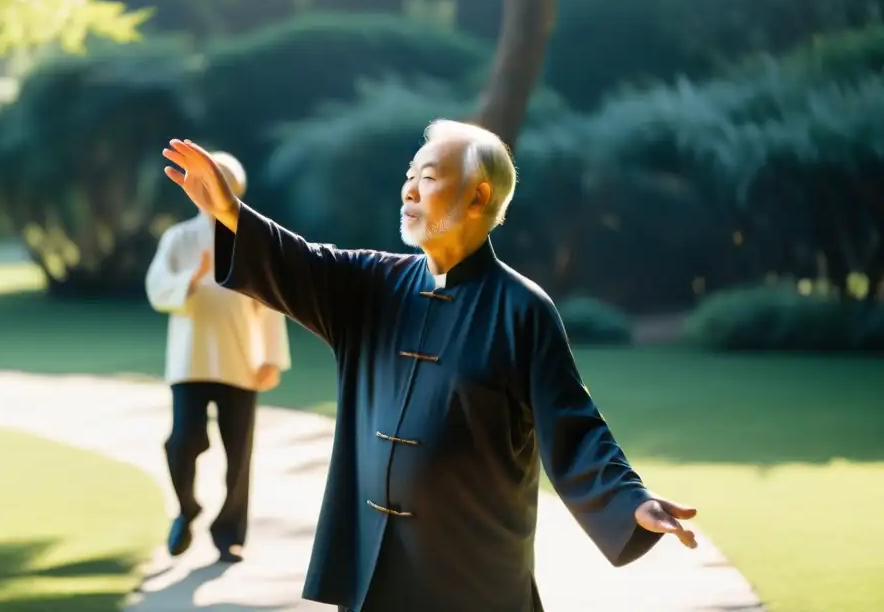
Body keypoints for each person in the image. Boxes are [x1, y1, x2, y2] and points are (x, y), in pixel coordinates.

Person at [160, 122, 698, 611]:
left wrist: (630, 500)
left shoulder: (522, 310)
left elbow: (574, 425)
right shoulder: (371, 285)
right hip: (376, 565)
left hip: (473, 573)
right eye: (409, 175)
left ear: (478, 194)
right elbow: (294, 260)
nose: (409, 189)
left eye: (429, 176)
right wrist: (230, 211)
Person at [145, 151, 291, 564]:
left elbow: (270, 302)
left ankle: (230, 533)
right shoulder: (178, 239)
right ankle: (187, 508)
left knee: (239, 452)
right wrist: (189, 280)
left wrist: (271, 358)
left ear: (235, 190)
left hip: (240, 359)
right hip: (189, 362)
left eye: (222, 182)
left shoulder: (251, 241)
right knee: (182, 442)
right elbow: (157, 288)